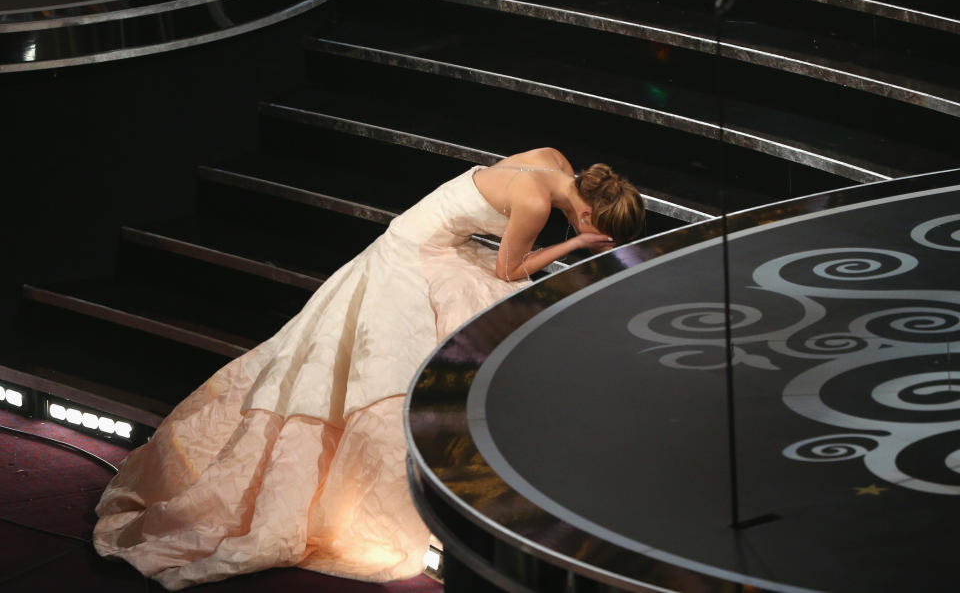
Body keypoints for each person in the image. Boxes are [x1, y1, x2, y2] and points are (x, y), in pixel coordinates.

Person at [92, 147, 646, 590]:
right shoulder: (536, 205)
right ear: (591, 212)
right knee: (419, 360)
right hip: (414, 255)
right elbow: (508, 270)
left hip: (434, 239)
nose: (588, 231)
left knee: (484, 330)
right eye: (594, 227)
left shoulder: (555, 161)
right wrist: (573, 244)